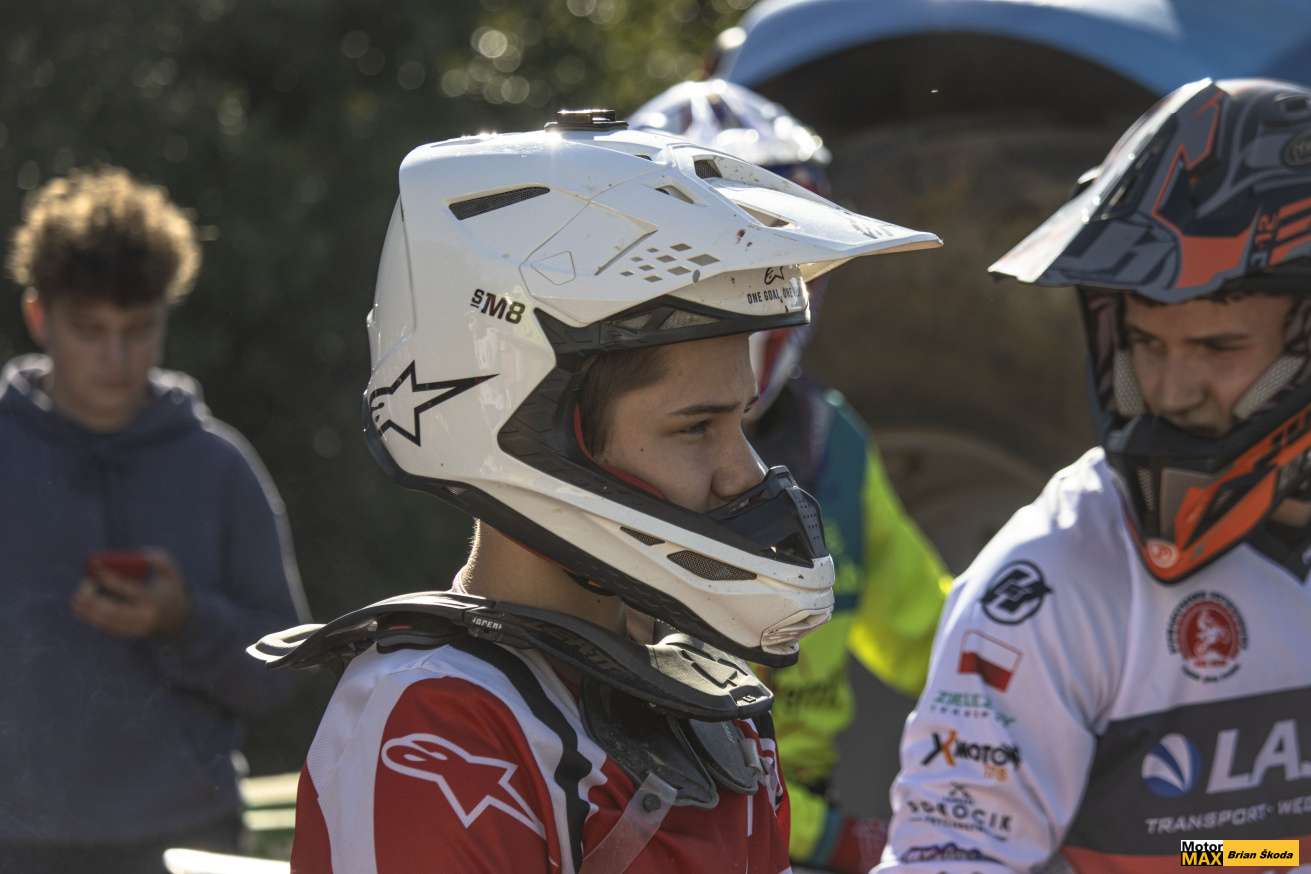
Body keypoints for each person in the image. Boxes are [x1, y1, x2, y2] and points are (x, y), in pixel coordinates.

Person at [249, 109, 941, 873]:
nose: (743, 472)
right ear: (535, 434)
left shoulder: (714, 709)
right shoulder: (437, 722)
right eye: (695, 428)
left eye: (739, 419)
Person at [878, 78, 1311, 872]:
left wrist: (1249, 856)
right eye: (1146, 343)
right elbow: (951, 854)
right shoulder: (1053, 578)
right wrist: (1229, 858)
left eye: (1217, 348)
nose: (1169, 391)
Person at [630, 80, 953, 873]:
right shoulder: (617, 456)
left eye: (784, 272)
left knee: (1231, 858)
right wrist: (835, 838)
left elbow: (938, 641)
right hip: (676, 833)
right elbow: (638, 731)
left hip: (792, 820)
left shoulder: (830, 439)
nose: (764, 299)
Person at [0, 166, 308, 873]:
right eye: (90, 330)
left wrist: (184, 621)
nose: (116, 358)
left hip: (185, 837)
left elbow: (280, 675)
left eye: (137, 330)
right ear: (39, 316)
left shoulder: (220, 467)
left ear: (165, 317)